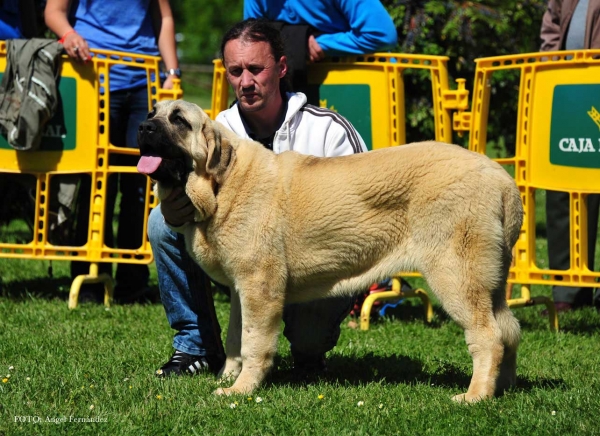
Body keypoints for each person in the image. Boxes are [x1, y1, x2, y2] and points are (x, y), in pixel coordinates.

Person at [147, 18, 368, 377]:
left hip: (317, 263)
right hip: (241, 266)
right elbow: (190, 206)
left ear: (281, 68)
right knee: (159, 223)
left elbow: (366, 205)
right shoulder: (215, 131)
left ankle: (307, 349)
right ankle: (195, 346)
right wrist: (175, 213)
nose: (246, 82)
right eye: (235, 71)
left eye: (255, 69)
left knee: (308, 346)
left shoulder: (328, 130)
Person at [44, 0, 181, 304]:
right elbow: (53, 11)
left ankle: (132, 281)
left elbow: (164, 17)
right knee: (97, 183)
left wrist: (173, 72)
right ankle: (90, 278)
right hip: (93, 77)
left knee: (139, 184)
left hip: (144, 81)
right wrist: (68, 35)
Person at [541, 0, 600, 313]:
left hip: (596, 89)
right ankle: (566, 294)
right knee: (560, 187)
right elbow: (551, 26)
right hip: (567, 91)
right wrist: (552, 64)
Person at [243, 0, 398, 102]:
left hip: (362, 85)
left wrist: (321, 44)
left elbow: (382, 34)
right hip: (293, 87)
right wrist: (299, 41)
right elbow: (252, 43)